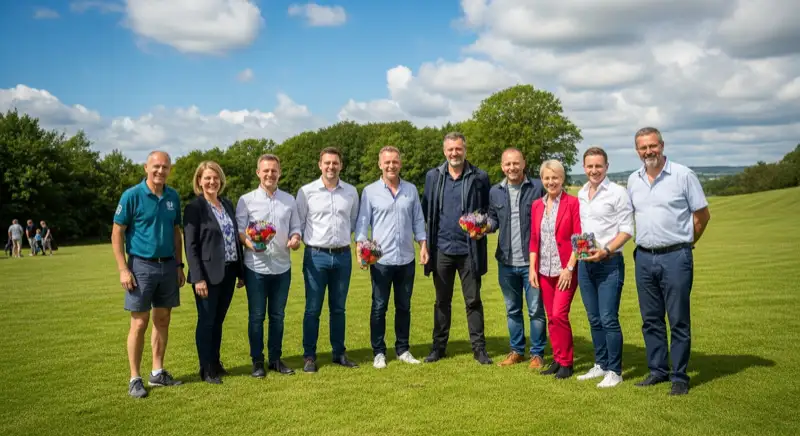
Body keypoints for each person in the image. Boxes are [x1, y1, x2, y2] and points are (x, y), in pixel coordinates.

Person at [627, 127, 711, 396]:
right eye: (643, 148)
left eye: (653, 146)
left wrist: (687, 242)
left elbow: (702, 216)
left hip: (676, 255)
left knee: (678, 319)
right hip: (643, 256)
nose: (648, 151)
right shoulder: (632, 180)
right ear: (637, 151)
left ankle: (679, 376)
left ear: (662, 145)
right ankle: (658, 371)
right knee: (650, 319)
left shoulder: (683, 175)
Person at [112, 150, 186, 399]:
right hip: (140, 266)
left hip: (167, 266)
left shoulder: (173, 196)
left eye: (165, 167)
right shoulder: (132, 195)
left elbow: (177, 232)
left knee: (163, 319)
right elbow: (117, 233)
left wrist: (179, 265)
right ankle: (135, 378)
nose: (160, 171)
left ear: (169, 170)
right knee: (140, 322)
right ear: (146, 167)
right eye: (156, 166)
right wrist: (123, 268)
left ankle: (157, 372)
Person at [422, 132, 492, 365]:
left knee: (473, 301)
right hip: (441, 249)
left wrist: (482, 227)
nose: (454, 153)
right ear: (445, 151)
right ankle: (438, 347)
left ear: (465, 150)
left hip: (469, 250)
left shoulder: (479, 177)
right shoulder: (433, 177)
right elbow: (426, 211)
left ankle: (479, 349)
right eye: (450, 149)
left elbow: (488, 212)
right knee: (442, 301)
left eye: (458, 149)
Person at [355, 146, 429, 369]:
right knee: (379, 306)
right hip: (381, 260)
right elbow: (362, 222)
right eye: (387, 162)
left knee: (404, 306)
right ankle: (379, 352)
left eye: (395, 162)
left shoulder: (411, 190)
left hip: (406, 258)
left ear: (400, 163)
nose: (391, 166)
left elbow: (418, 220)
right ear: (380, 164)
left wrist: (423, 245)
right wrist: (360, 249)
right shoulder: (369, 191)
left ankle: (403, 349)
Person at [236, 154, 302, 378]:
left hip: (282, 266)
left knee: (278, 316)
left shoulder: (289, 200)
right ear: (258, 173)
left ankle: (275, 359)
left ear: (279, 172)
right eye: (266, 170)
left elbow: (296, 228)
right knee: (256, 316)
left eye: (274, 170)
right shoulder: (246, 200)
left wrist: (295, 239)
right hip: (256, 267)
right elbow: (240, 231)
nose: (270, 174)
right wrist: (250, 243)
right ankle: (257, 361)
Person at [296, 147, 360, 372]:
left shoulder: (351, 192)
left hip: (342, 256)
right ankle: (309, 356)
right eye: (327, 163)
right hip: (316, 256)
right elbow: (300, 223)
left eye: (335, 163)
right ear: (319, 165)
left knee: (338, 309)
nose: (331, 167)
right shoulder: (306, 192)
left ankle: (339, 353)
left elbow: (353, 222)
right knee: (313, 308)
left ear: (341, 165)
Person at [576, 147, 634, 388]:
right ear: (584, 167)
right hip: (586, 264)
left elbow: (627, 230)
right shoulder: (581, 193)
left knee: (609, 318)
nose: (594, 170)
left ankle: (615, 371)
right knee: (593, 318)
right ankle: (600, 364)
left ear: (607, 167)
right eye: (590, 166)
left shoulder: (618, 192)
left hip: (610, 263)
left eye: (598, 166)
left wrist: (606, 250)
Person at [183, 161, 245, 384]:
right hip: (207, 276)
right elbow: (190, 246)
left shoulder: (226, 204)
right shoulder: (194, 208)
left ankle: (216, 363)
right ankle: (206, 368)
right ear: (199, 181)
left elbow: (234, 240)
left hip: (228, 272)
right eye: (207, 178)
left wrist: (240, 272)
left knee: (218, 321)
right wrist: (197, 277)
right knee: (207, 321)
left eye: (215, 177)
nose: (212, 182)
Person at [487, 148, 548, 369]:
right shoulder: (495, 191)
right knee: (512, 309)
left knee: (535, 310)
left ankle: (538, 354)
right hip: (505, 261)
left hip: (532, 262)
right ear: (502, 166)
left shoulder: (538, 187)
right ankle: (516, 351)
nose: (512, 168)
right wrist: (483, 227)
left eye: (516, 163)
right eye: (507, 164)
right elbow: (493, 219)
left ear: (524, 164)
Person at [528, 159, 580, 379]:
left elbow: (579, 238)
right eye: (547, 178)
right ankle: (557, 360)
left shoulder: (573, 203)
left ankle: (567, 362)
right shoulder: (537, 205)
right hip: (544, 270)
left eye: (555, 177)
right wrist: (532, 268)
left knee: (559, 314)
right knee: (551, 317)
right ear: (542, 180)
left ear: (562, 179)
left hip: (565, 271)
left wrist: (569, 268)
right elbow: (533, 239)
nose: (551, 182)